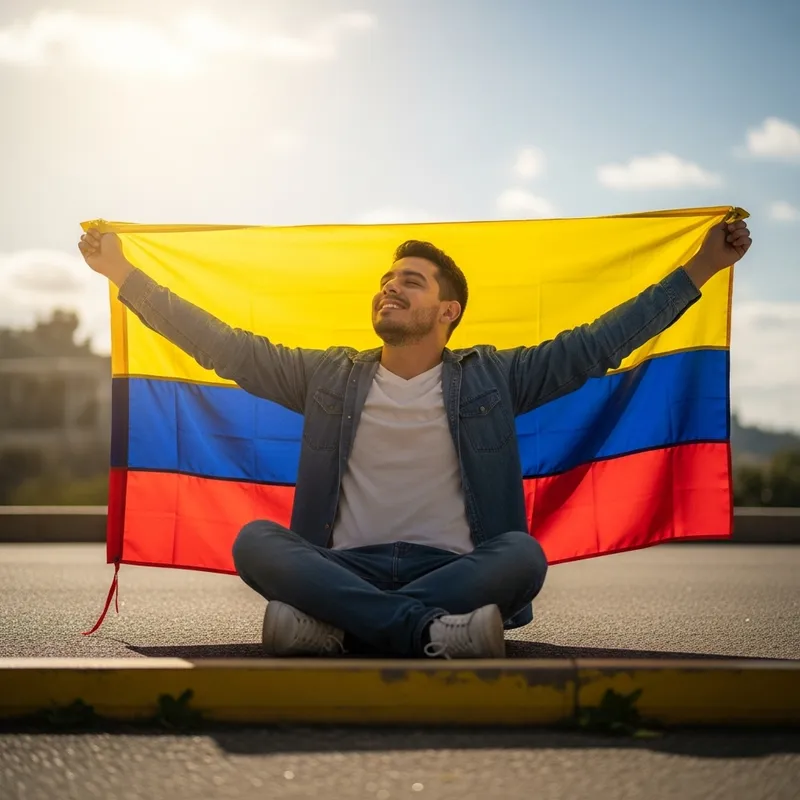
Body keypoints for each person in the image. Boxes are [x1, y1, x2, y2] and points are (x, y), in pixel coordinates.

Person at [79, 219, 752, 659]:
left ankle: (337, 628)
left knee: (521, 558)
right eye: (383, 283)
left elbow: (599, 344)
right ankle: (426, 632)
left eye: (409, 281)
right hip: (346, 564)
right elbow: (221, 346)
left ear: (447, 309)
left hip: (453, 568)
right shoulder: (328, 378)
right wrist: (123, 276)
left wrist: (700, 266)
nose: (388, 291)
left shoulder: (494, 375)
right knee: (256, 542)